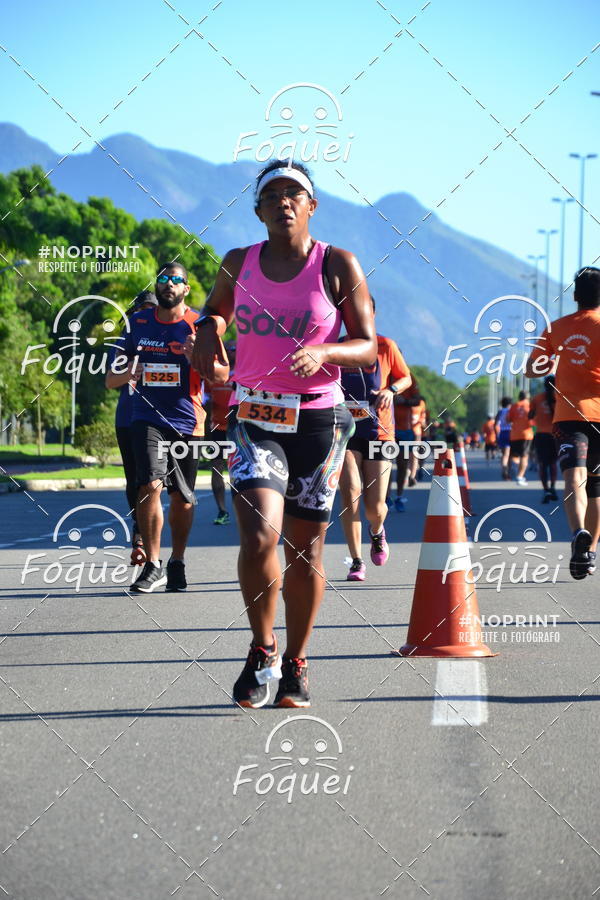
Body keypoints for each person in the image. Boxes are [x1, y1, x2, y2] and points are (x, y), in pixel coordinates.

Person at [191, 159, 376, 708]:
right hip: (256, 418)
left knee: (305, 551)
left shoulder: (337, 264)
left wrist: (324, 351)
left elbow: (367, 343)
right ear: (259, 209)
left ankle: (297, 662)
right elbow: (215, 311)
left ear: (311, 206)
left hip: (319, 419)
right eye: (271, 195)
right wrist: (207, 328)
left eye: (294, 193)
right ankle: (261, 647)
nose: (283, 202)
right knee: (259, 537)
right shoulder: (238, 262)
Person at [107, 262, 204, 593]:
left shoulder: (199, 324)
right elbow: (111, 379)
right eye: (163, 279)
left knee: (183, 499)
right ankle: (152, 564)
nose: (168, 285)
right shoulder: (138, 323)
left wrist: (198, 358)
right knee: (149, 485)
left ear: (185, 289)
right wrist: (130, 370)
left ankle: (177, 560)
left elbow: (223, 375)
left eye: (176, 280)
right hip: (145, 417)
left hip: (188, 420)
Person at [526, 266, 600, 579]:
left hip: (569, 416)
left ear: (574, 295)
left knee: (574, 477)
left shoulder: (557, 328)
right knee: (596, 487)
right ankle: (590, 551)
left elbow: (532, 370)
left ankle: (577, 534)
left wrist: (561, 357)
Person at [339, 301, 411, 581]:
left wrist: (391, 390)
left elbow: (405, 378)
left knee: (375, 507)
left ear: (373, 314)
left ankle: (377, 531)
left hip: (381, 432)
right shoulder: (337, 347)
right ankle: (356, 561)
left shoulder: (385, 346)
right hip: (344, 430)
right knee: (350, 492)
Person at [111, 290, 158, 565]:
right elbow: (111, 379)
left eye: (151, 309)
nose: (146, 314)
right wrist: (130, 369)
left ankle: (156, 539)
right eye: (142, 309)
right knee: (137, 480)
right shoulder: (123, 340)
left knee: (158, 482)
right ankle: (139, 535)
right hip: (128, 419)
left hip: (165, 419)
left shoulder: (167, 334)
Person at [204, 341, 237, 525]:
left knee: (237, 472)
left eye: (236, 350)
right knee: (217, 469)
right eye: (230, 349)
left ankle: (241, 510)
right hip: (217, 429)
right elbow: (206, 401)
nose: (233, 353)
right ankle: (222, 510)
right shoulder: (214, 375)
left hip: (238, 430)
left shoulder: (245, 374)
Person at [392, 376, 422, 511]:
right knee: (383, 466)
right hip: (384, 428)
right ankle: (385, 498)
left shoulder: (408, 377)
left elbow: (417, 401)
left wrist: (404, 401)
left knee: (402, 465)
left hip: (404, 430)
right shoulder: (380, 372)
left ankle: (398, 496)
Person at [529, 376, 558, 503]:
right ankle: (553, 487)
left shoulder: (537, 398)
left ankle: (545, 490)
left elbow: (530, 415)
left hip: (541, 435)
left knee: (542, 464)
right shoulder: (559, 397)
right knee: (553, 463)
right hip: (555, 435)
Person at [508, 391, 533, 485]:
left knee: (515, 455)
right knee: (524, 456)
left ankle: (514, 467)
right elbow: (534, 420)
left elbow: (508, 419)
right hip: (526, 434)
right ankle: (520, 476)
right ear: (527, 397)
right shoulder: (530, 405)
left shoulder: (514, 406)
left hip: (514, 434)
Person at [495, 396, 512, 480]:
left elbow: (495, 425)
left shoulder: (500, 412)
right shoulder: (511, 411)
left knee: (504, 454)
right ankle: (507, 472)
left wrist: (496, 436)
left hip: (502, 433)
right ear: (509, 404)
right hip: (510, 432)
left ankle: (504, 470)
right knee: (509, 455)